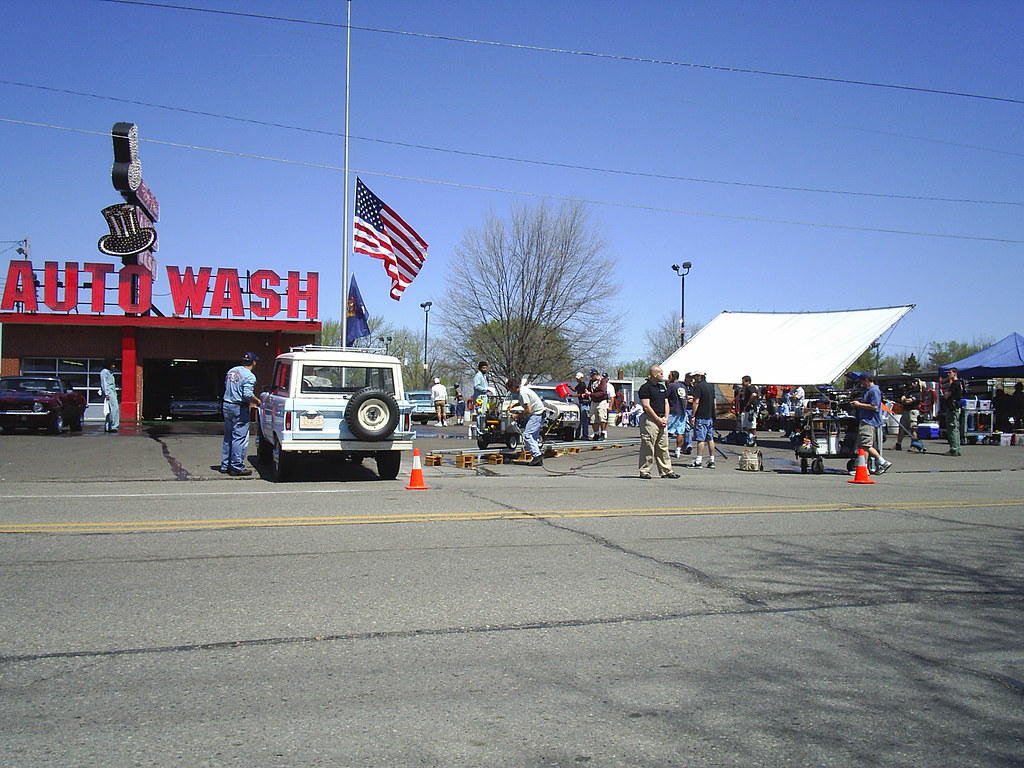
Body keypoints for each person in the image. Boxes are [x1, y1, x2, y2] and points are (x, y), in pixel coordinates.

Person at [220, 351, 260, 476]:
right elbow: (247, 394)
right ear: (253, 362)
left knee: (228, 436)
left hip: (227, 404)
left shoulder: (232, 371)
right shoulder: (249, 376)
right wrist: (257, 401)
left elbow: (227, 386)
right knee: (240, 437)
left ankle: (225, 464)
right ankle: (236, 466)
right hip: (239, 407)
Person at [638, 365, 679, 479]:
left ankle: (666, 471)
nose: (663, 375)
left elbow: (666, 403)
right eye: (661, 373)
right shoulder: (645, 388)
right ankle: (645, 471)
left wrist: (666, 418)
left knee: (663, 446)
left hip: (662, 420)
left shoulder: (662, 387)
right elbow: (646, 406)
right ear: (654, 374)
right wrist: (657, 419)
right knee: (648, 445)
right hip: (650, 420)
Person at [850, 372, 893, 474]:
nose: (860, 384)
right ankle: (864, 468)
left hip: (869, 421)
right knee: (863, 445)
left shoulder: (874, 391)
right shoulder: (869, 391)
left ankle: (881, 462)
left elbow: (874, 406)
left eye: (861, 381)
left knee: (865, 445)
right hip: (866, 420)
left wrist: (859, 404)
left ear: (866, 380)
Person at [505, 378, 545, 467]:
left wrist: (517, 416)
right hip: (539, 413)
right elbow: (524, 402)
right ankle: (537, 457)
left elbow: (528, 410)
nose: (510, 391)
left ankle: (537, 455)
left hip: (537, 414)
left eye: (510, 389)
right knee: (533, 437)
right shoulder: (522, 391)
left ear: (513, 387)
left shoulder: (523, 393)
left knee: (527, 435)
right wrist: (513, 405)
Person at [688, 371, 717, 469]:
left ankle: (698, 460)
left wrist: (693, 415)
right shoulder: (710, 387)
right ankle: (712, 459)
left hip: (701, 416)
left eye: (695, 376)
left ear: (700, 376)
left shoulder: (699, 387)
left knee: (700, 439)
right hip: (710, 416)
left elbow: (696, 402)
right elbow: (714, 402)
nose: (694, 378)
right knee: (710, 439)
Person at [942, 367, 965, 457]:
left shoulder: (955, 384)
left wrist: (945, 394)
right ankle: (956, 448)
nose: (948, 374)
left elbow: (948, 395)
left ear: (955, 373)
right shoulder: (959, 384)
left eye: (950, 373)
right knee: (955, 429)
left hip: (953, 408)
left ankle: (954, 449)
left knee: (952, 428)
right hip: (955, 408)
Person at [893, 379, 922, 451]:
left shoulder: (918, 394)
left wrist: (906, 400)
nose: (913, 383)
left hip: (913, 412)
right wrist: (904, 399)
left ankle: (914, 445)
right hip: (905, 411)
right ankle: (898, 444)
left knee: (913, 429)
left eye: (915, 382)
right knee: (902, 428)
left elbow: (909, 401)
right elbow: (903, 398)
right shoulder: (909, 392)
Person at [666, 370, 686, 459]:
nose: (668, 377)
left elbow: (666, 398)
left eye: (669, 376)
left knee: (667, 432)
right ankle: (678, 449)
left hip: (673, 411)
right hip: (682, 412)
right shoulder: (683, 386)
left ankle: (664, 448)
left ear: (673, 376)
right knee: (680, 432)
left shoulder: (671, 386)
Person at [98, 359, 120, 433]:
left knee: (110, 411)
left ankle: (108, 426)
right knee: (114, 409)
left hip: (112, 392)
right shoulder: (104, 372)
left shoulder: (110, 372)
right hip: (109, 393)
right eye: (112, 364)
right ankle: (114, 426)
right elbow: (104, 384)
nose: (113, 366)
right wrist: (106, 394)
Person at [588, 368, 609, 440]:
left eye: (592, 375)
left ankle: (603, 433)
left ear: (596, 374)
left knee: (602, 418)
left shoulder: (602, 381)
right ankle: (596, 433)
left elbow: (602, 392)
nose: (591, 377)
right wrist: (586, 393)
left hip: (601, 401)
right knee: (593, 419)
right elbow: (588, 389)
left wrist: (591, 394)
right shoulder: (591, 382)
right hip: (593, 401)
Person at [738, 375, 759, 445]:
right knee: (744, 425)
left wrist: (748, 403)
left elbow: (754, 394)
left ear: (747, 381)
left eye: (743, 382)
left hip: (751, 409)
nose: (742, 383)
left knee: (751, 425)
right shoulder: (747, 388)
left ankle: (753, 439)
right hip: (747, 409)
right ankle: (751, 437)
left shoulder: (750, 388)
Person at [472, 361, 490, 433]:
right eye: (483, 368)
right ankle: (480, 431)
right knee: (480, 414)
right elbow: (476, 386)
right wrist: (484, 389)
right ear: (480, 368)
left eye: (486, 368)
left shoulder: (484, 376)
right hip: (479, 399)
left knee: (484, 414)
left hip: (484, 398)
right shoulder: (478, 376)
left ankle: (483, 428)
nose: (485, 369)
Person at [573, 371, 590, 440]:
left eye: (578, 378)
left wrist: (570, 395)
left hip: (584, 403)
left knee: (584, 420)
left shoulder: (582, 385)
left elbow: (580, 395)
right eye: (577, 378)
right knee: (579, 420)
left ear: (581, 378)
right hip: (581, 403)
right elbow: (575, 390)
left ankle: (585, 435)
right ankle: (578, 434)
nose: (577, 380)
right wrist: (569, 387)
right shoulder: (579, 384)